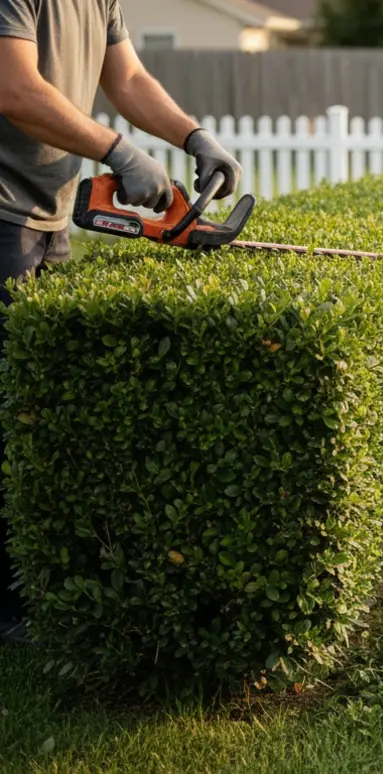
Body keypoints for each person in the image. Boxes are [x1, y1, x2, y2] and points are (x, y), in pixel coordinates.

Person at [0, 0, 243, 644]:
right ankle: (8, 611)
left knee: (34, 410)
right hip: (1, 215)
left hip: (44, 217)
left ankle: (29, 592)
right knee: (5, 414)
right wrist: (117, 150)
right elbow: (15, 88)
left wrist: (192, 136)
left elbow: (128, 80)